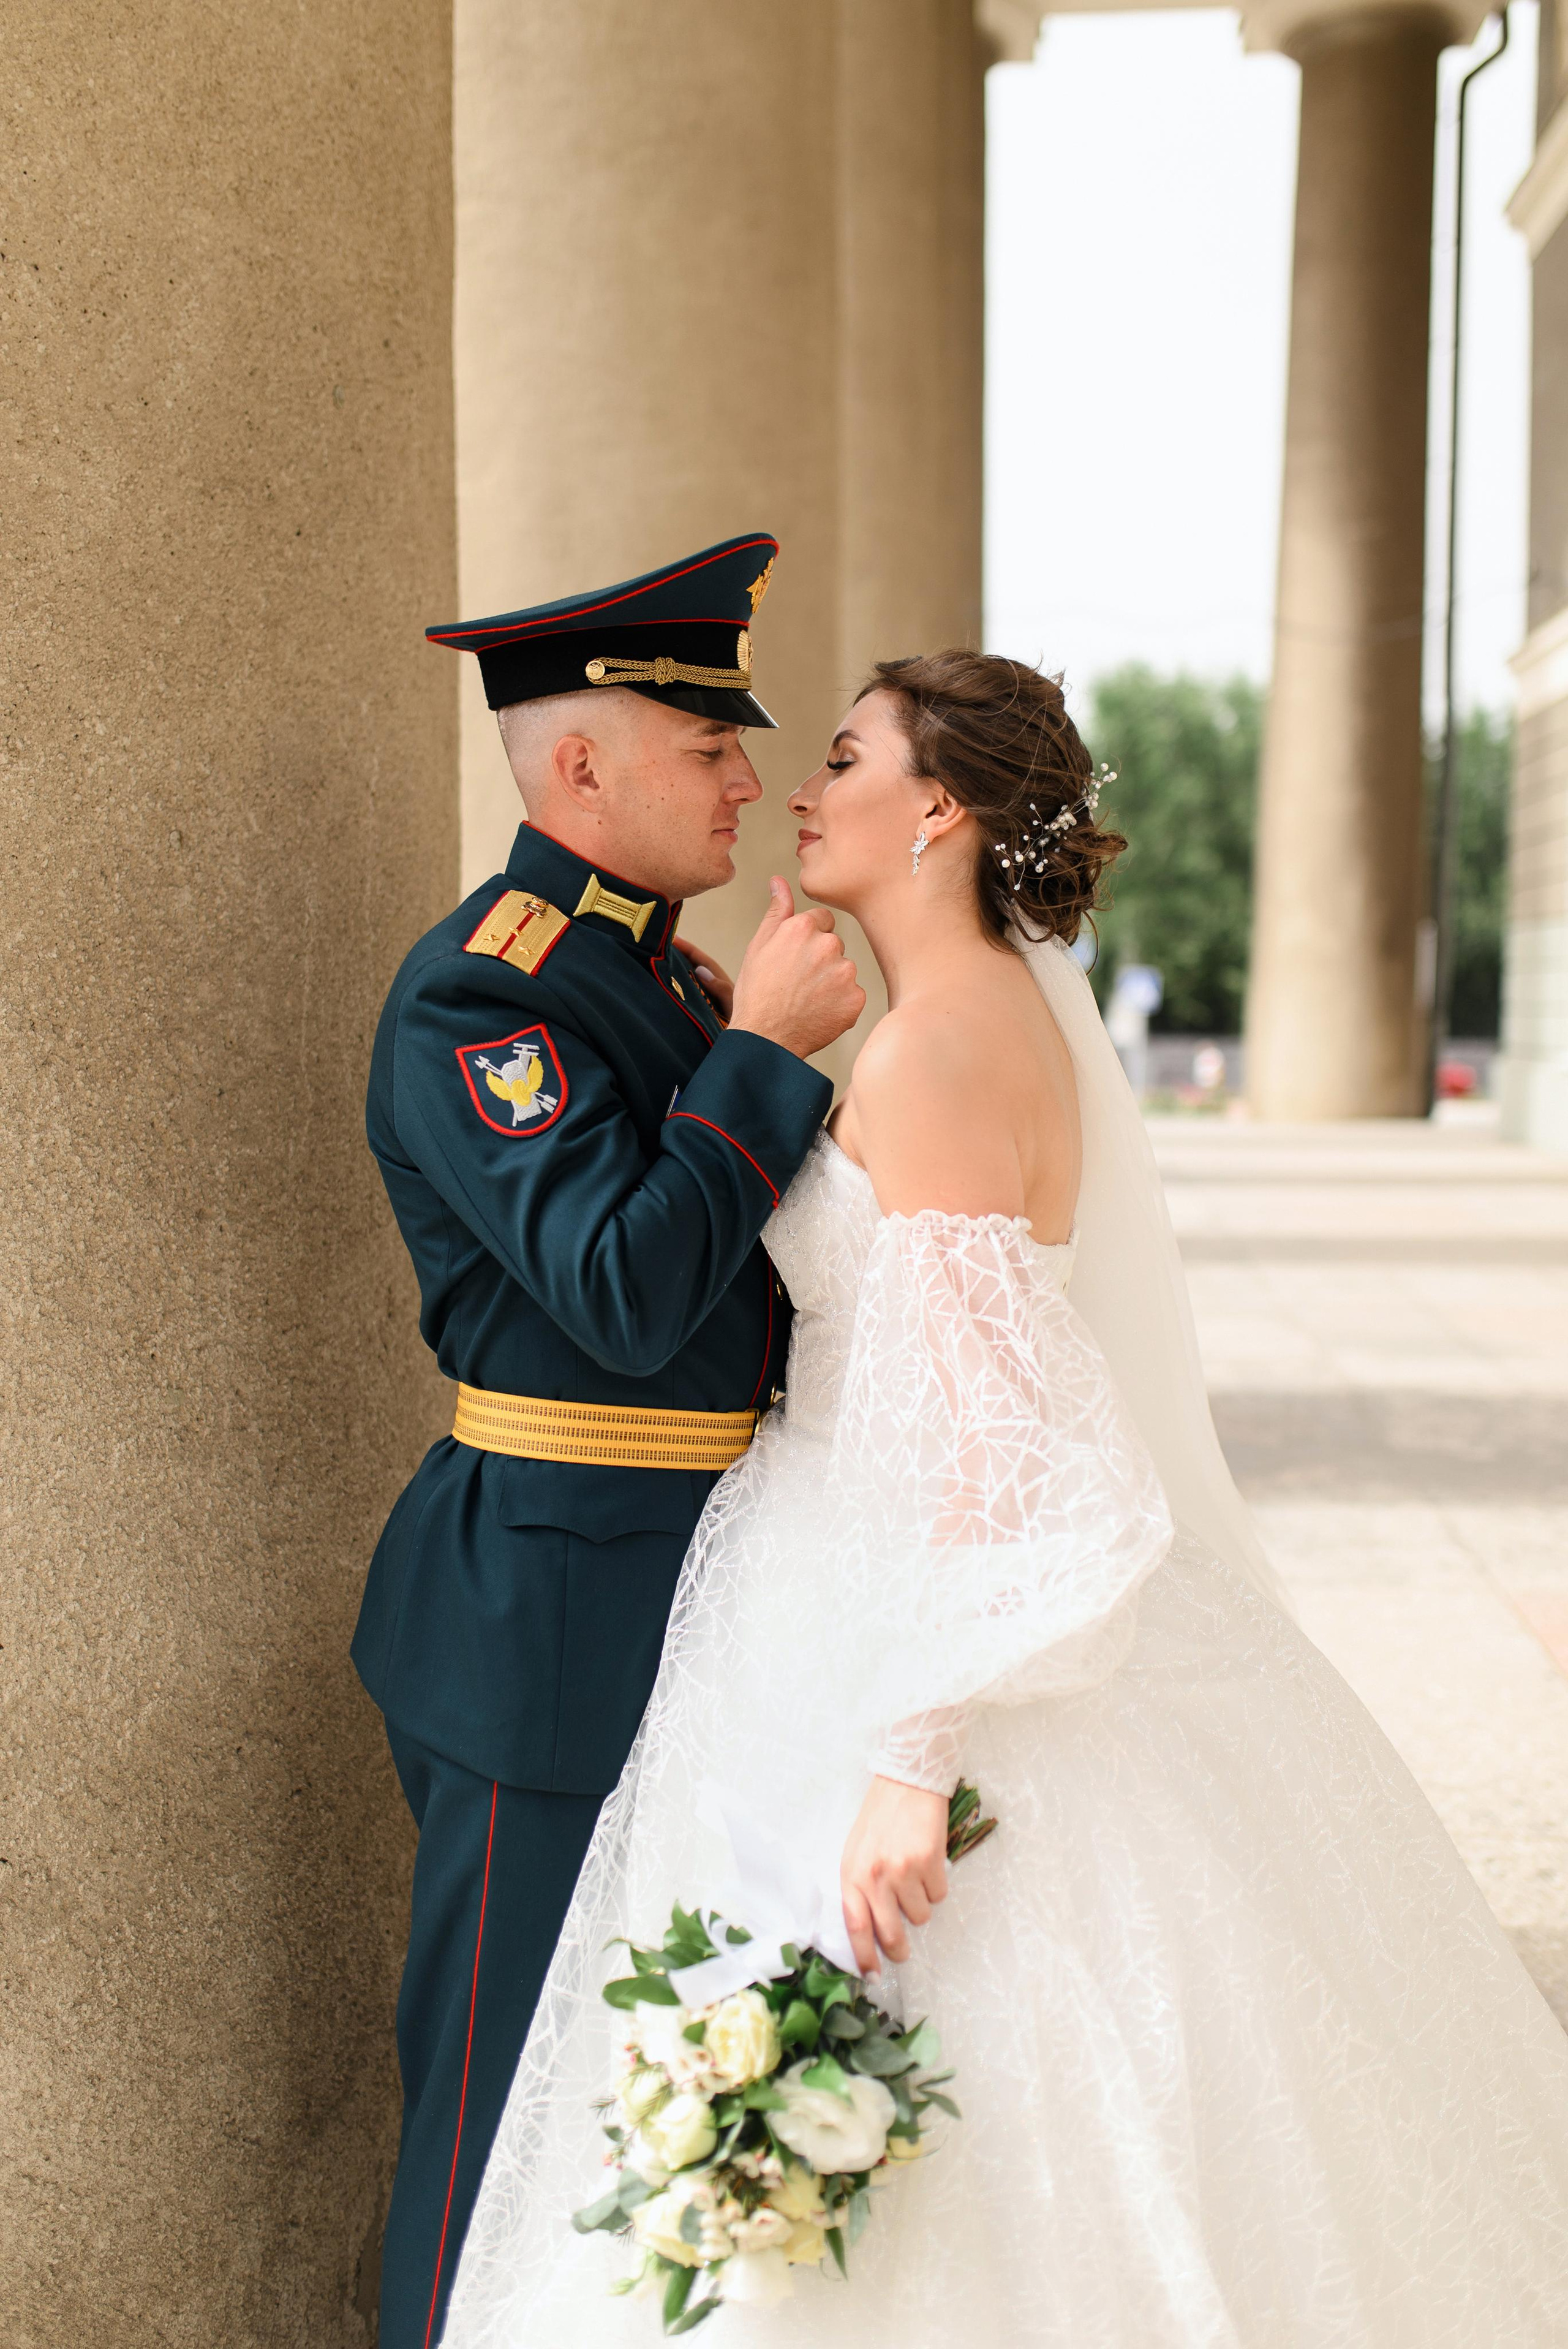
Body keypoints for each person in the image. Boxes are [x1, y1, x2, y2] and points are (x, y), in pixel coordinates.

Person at [439, 648, 1568, 2348]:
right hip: (827, 1564)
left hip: (875, 1600)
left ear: (941, 808)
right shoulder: (973, 1023)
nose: (798, 790)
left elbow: (996, 1450)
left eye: (841, 755)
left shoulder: (930, 1060)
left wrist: (911, 1761)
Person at [354, 532, 865, 2349]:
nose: (748, 774)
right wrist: (772, 1060)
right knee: (496, 2117)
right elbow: (621, 1290)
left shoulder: (661, 985)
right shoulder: (481, 995)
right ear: (581, 768)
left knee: (649, 2102)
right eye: (706, 742)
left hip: (710, 1604)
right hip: (542, 1625)